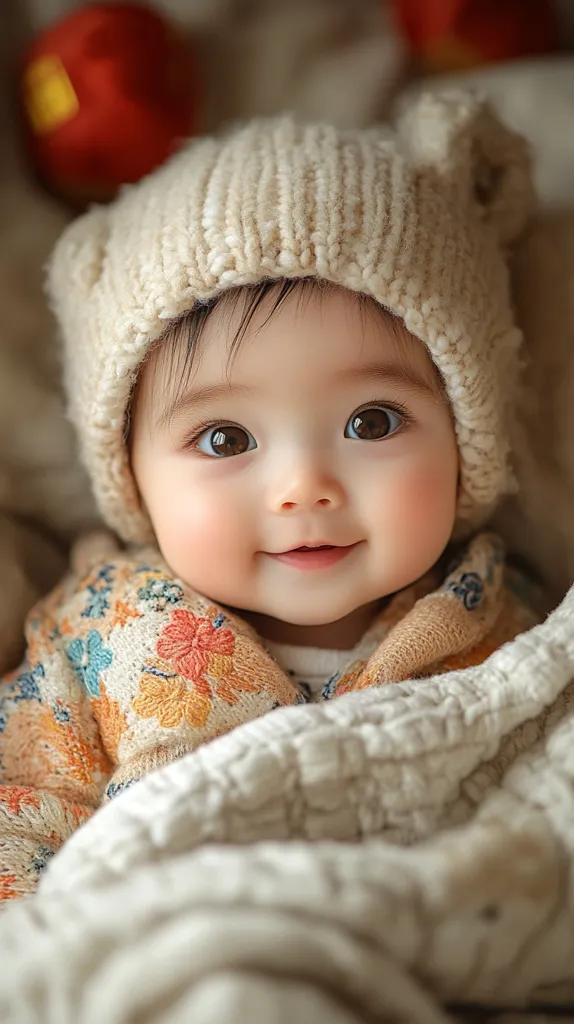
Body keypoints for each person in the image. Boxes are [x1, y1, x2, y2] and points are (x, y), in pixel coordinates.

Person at [0, 91, 541, 900]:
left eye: (373, 420)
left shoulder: (506, 631)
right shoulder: (96, 635)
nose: (304, 489)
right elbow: (22, 814)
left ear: (469, 441)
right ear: (135, 480)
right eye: (225, 440)